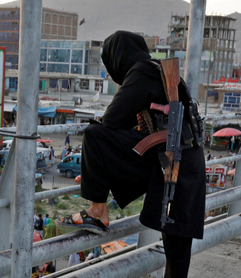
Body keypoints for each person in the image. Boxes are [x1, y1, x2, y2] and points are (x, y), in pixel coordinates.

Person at [59, 31, 205, 278]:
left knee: (94, 135)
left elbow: (110, 121)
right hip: (187, 162)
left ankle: (97, 211)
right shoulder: (161, 70)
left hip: (170, 161)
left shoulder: (141, 72)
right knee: (177, 249)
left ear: (117, 57)